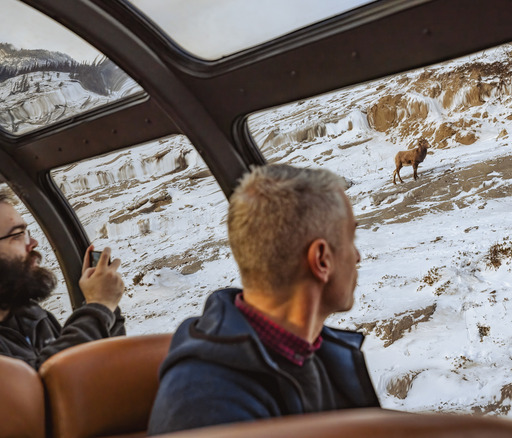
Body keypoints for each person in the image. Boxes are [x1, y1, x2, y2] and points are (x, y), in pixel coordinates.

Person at [148, 164, 380, 435]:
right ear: (321, 260)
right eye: (351, 238)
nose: (357, 256)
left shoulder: (310, 352)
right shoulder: (204, 408)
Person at [0, 191, 125, 369]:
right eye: (17, 235)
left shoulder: (33, 317)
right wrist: (99, 306)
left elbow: (103, 367)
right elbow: (49, 379)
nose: (33, 242)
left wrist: (106, 308)